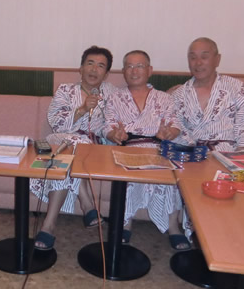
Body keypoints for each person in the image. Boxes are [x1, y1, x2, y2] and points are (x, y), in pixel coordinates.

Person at [102, 50, 190, 250]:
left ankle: (173, 227)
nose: (134, 71)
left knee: (170, 178)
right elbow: (107, 126)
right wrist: (115, 135)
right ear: (123, 71)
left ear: (149, 70)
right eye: (129, 66)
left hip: (157, 148)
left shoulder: (165, 98)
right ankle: (125, 223)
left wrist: (169, 133)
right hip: (128, 149)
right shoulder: (115, 98)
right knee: (125, 177)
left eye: (139, 66)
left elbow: (175, 124)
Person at [30, 46, 115, 250]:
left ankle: (49, 226)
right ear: (81, 68)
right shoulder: (65, 90)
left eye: (100, 66)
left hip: (91, 148)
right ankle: (87, 203)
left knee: (68, 158)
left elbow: (114, 122)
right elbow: (56, 123)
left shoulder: (112, 93)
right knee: (70, 150)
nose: (94, 69)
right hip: (61, 140)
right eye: (90, 63)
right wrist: (83, 109)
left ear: (106, 73)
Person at [172, 37, 244, 151]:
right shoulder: (179, 95)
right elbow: (175, 132)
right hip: (192, 156)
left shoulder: (236, 88)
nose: (198, 63)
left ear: (217, 59)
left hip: (230, 154)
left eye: (204, 57)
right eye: (193, 58)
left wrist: (236, 159)